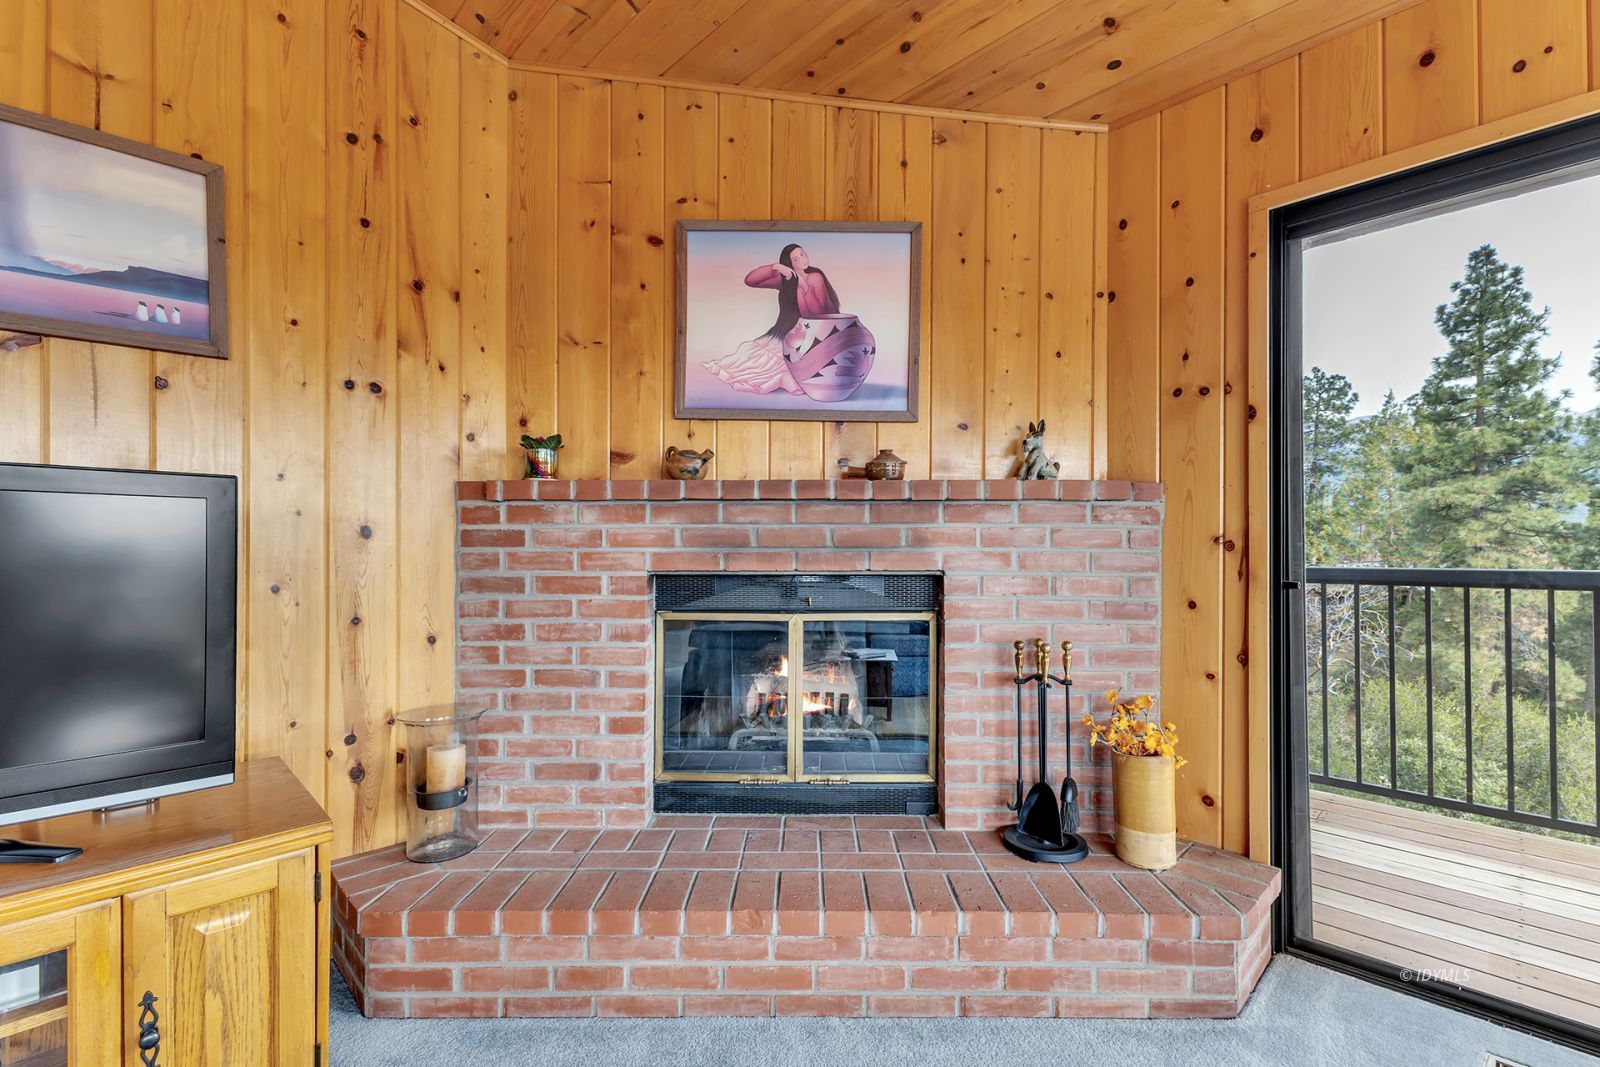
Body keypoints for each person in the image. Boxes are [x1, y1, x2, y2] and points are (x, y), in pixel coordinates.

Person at [702, 244, 840, 395]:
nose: (802, 259)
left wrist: (803, 287)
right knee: (756, 364)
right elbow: (750, 280)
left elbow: (817, 313)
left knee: (782, 365)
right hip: (787, 332)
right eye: (796, 258)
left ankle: (786, 379)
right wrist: (776, 267)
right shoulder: (787, 279)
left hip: (816, 331)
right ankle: (785, 378)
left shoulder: (815, 277)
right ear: (790, 263)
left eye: (802, 254)